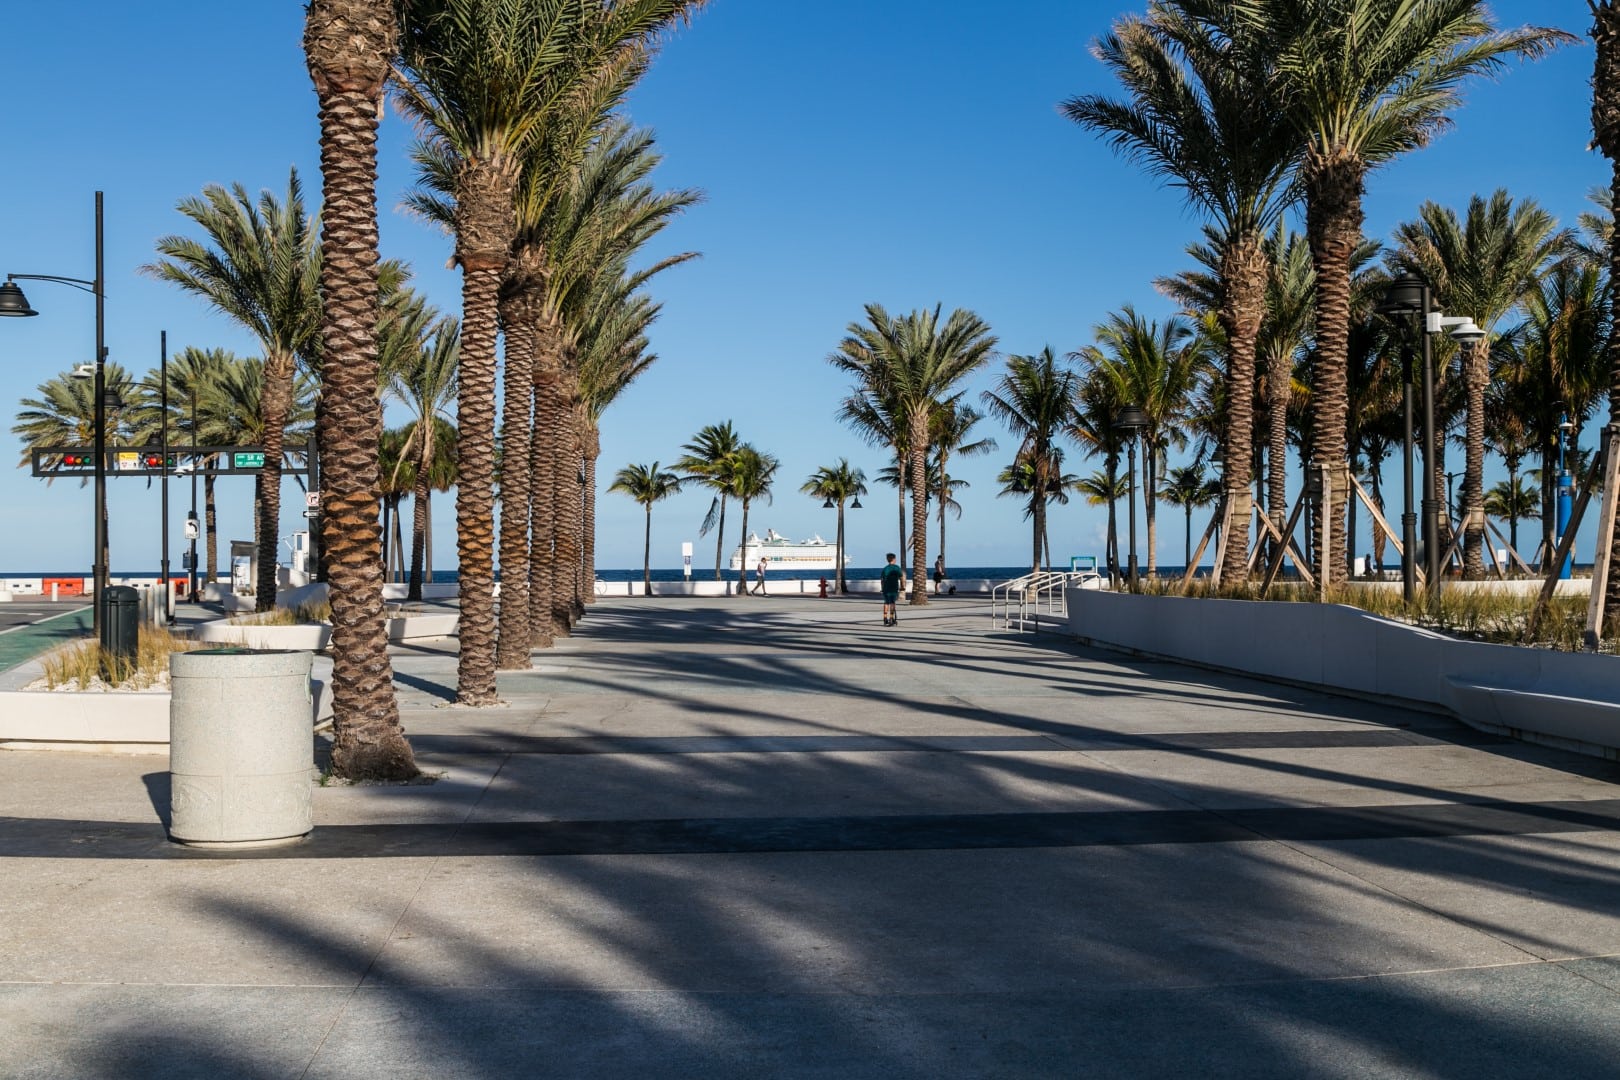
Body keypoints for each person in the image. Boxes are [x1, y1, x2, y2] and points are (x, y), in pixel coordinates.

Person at [880, 552, 903, 626]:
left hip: (886, 588)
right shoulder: (897, 568)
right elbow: (901, 577)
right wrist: (902, 586)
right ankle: (891, 618)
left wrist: (882, 588)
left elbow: (882, 580)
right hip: (893, 588)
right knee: (892, 602)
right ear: (893, 559)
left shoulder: (885, 569)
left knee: (886, 602)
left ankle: (884, 618)